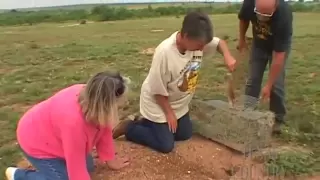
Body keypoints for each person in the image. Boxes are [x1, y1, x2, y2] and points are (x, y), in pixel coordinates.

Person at [112, 11, 237, 153]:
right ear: (186, 36)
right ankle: (130, 128)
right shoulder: (164, 53)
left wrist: (228, 56)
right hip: (158, 103)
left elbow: (219, 42)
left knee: (184, 134)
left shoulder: (197, 41)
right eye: (200, 45)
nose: (202, 49)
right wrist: (169, 114)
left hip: (179, 104)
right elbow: (157, 92)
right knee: (166, 145)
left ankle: (149, 124)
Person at [5, 71, 130, 180]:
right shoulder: (73, 123)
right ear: (105, 102)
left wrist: (109, 158)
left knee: (88, 167)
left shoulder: (92, 95)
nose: (123, 103)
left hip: (54, 134)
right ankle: (18, 175)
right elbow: (75, 163)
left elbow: (104, 126)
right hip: (35, 140)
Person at [237, 0, 293, 134]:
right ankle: (248, 114)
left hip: (277, 47)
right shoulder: (249, 3)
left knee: (276, 84)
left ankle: (278, 119)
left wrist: (268, 85)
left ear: (275, 6)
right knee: (253, 80)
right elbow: (244, 19)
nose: (262, 19)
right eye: (259, 15)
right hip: (259, 45)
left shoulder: (284, 15)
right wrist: (241, 39)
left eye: (267, 16)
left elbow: (278, 57)